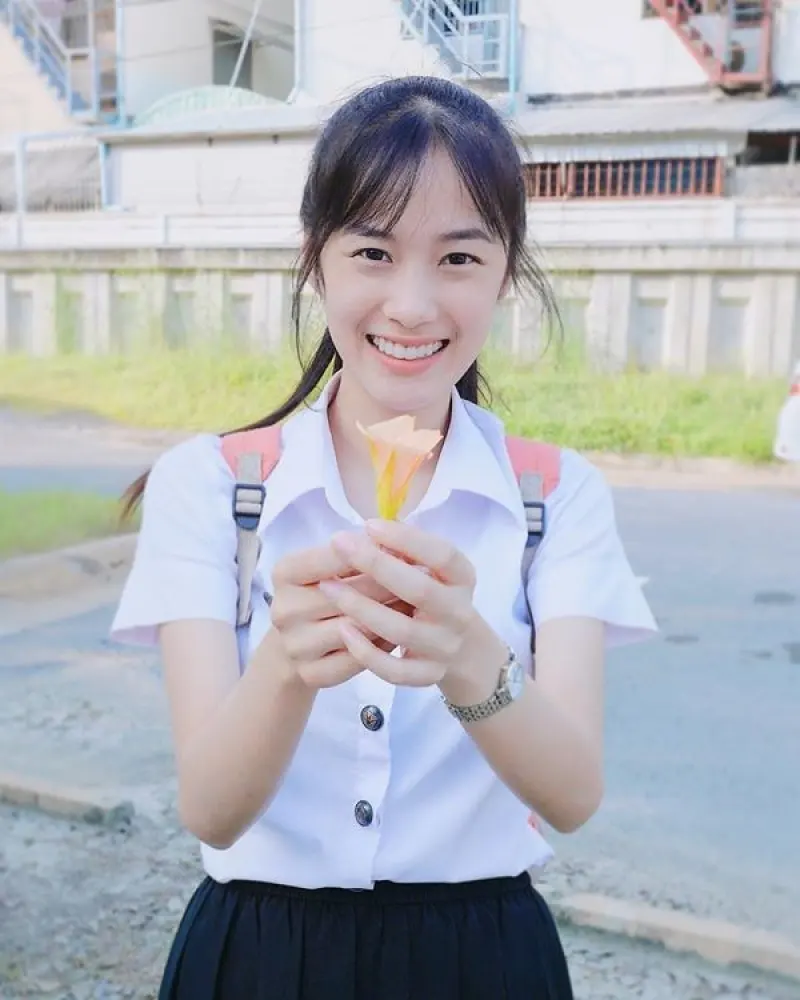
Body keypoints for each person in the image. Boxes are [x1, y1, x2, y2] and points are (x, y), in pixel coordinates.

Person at [112, 75, 657, 1000]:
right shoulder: (209, 486)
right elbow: (210, 809)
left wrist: (467, 656)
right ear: (316, 260)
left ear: (506, 275)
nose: (411, 305)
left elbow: (571, 797)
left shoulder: (555, 496)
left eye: (458, 258)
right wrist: (288, 663)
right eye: (372, 251)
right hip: (261, 955)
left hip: (483, 959)